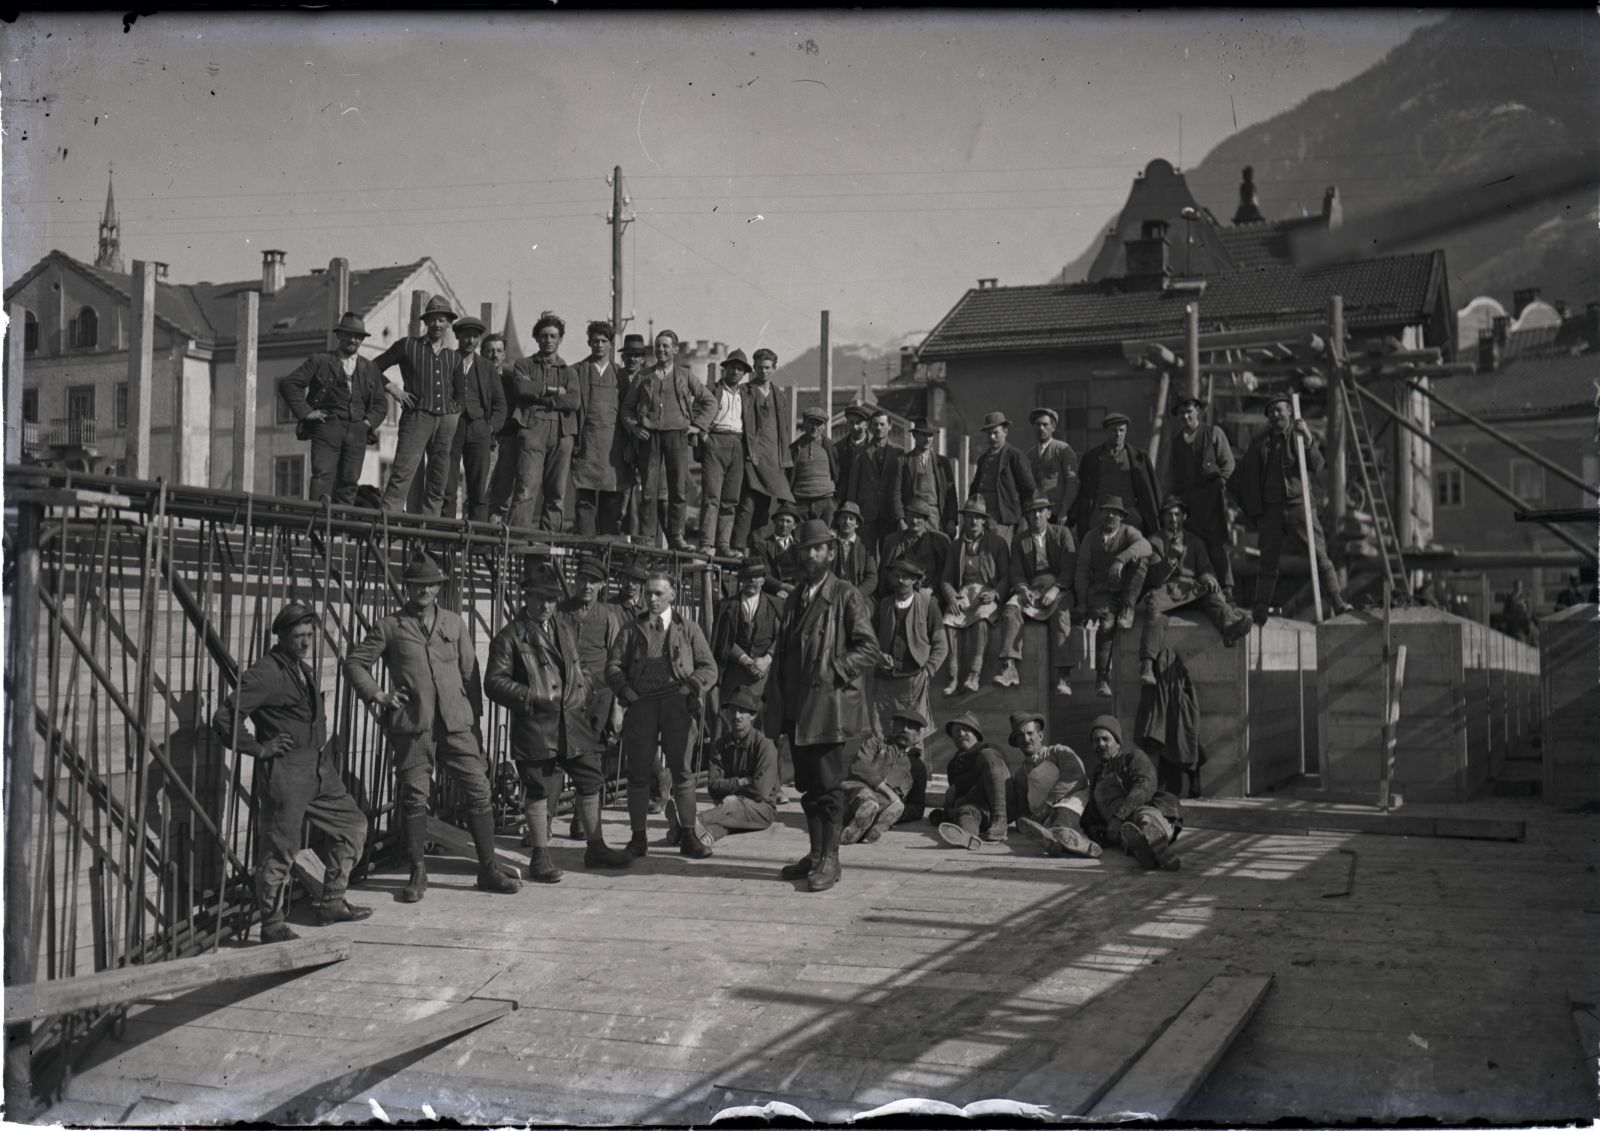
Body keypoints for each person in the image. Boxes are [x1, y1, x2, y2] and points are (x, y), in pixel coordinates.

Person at [343, 552, 521, 902]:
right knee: (414, 795)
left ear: (439, 588)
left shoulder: (454, 623)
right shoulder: (390, 626)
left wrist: (476, 726)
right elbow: (355, 663)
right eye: (417, 584)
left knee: (479, 787)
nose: (424, 590)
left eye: (430, 585)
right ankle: (417, 872)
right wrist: (379, 695)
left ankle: (487, 869)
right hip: (414, 726)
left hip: (456, 724)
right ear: (407, 587)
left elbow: (470, 675)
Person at [212, 603, 371, 942]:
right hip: (286, 773)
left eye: (310, 635)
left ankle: (331, 902)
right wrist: (259, 748)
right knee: (279, 851)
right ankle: (271, 926)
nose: (305, 642)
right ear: (282, 636)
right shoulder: (265, 674)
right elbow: (226, 718)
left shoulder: (303, 669)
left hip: (318, 767)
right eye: (298, 636)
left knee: (352, 825)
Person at [485, 568, 633, 883]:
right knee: (538, 789)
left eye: (551, 599)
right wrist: (531, 695)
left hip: (573, 723)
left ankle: (596, 847)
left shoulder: (563, 628)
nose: (546, 605)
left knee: (591, 778)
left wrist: (587, 691)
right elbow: (493, 682)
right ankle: (539, 858)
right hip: (537, 726)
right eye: (539, 598)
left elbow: (579, 668)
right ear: (526, 597)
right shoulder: (510, 636)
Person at [773, 518, 881, 893]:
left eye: (817, 548)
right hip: (799, 708)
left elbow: (869, 648)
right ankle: (816, 853)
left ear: (831, 553)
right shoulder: (795, 596)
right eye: (805, 548)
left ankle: (830, 860)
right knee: (808, 788)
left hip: (830, 709)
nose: (810, 554)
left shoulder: (847, 595)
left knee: (829, 788)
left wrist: (833, 669)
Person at [605, 570, 719, 858]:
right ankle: (638, 838)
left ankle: (689, 836)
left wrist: (689, 688)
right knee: (639, 773)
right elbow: (613, 666)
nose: (652, 599)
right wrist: (627, 692)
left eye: (658, 593)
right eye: (648, 594)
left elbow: (709, 667)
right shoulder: (631, 629)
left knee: (682, 772)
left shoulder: (688, 629)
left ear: (672, 595)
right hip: (641, 706)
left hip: (677, 706)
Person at [1231, 393, 1350, 624]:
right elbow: (1244, 475)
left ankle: (1337, 602)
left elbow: (1317, 465)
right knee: (1268, 561)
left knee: (1319, 555)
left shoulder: (1298, 436)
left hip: (1299, 505)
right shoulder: (1261, 442)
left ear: (1290, 412)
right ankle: (1261, 609)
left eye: (1280, 410)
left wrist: (1308, 438)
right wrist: (1255, 511)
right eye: (1272, 412)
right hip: (1271, 510)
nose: (1276, 415)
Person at [279, 312, 390, 507]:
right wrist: (306, 412)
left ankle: (341, 531)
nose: (352, 340)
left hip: (357, 431)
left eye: (357, 336)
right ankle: (319, 529)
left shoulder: (369, 368)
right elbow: (289, 384)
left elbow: (381, 404)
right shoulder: (320, 360)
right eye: (347, 334)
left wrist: (367, 423)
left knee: (349, 483)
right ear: (339, 336)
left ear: (362, 340)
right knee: (322, 477)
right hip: (327, 427)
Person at [1141, 495, 1253, 683]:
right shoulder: (1153, 542)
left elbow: (1205, 568)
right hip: (1164, 590)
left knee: (1214, 596)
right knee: (1154, 614)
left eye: (1177, 514)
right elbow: (1153, 578)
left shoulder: (1194, 542)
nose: (1173, 519)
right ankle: (1146, 665)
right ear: (1162, 518)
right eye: (1169, 514)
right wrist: (1170, 559)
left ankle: (1229, 628)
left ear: (1184, 517)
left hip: (1190, 590)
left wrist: (1208, 578)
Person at [621, 330, 711, 550]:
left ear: (675, 350)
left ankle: (676, 537)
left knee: (678, 491)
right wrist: (634, 428)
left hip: (677, 437)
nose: (661, 350)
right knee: (649, 491)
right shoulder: (644, 376)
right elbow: (627, 408)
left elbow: (708, 401)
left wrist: (697, 426)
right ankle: (647, 540)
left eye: (666, 346)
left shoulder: (684, 375)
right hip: (649, 438)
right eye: (658, 346)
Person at [558, 557, 628, 832]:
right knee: (558, 756)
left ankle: (584, 823)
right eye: (582, 579)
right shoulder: (560, 613)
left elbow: (617, 663)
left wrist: (617, 709)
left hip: (598, 699)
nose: (587, 586)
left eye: (594, 582)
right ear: (575, 580)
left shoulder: (608, 617)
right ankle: (545, 823)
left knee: (593, 759)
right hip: (564, 698)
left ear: (601, 586)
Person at [375, 295, 462, 516]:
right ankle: (386, 525)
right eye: (432, 319)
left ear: (449, 323)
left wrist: (453, 415)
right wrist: (394, 390)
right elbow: (373, 367)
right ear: (425, 322)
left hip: (446, 421)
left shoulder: (454, 357)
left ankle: (427, 530)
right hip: (416, 418)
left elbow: (460, 393)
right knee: (402, 473)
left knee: (437, 479)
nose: (437, 325)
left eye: (442, 320)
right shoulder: (408, 345)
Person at [494, 311, 578, 531]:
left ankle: (549, 546)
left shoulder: (569, 372)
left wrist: (540, 395)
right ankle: (514, 544)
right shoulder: (523, 365)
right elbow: (522, 388)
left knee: (556, 494)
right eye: (544, 336)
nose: (548, 340)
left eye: (553, 336)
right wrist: (553, 391)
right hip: (532, 430)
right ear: (536, 338)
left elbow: (573, 401)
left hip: (562, 433)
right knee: (525, 489)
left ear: (560, 339)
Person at [995, 492, 1078, 695]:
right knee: (1010, 609)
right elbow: (1016, 571)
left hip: (1058, 589)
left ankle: (1063, 676)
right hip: (1031, 588)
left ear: (1049, 513)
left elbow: (1069, 567)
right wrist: (1023, 589)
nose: (1037, 516)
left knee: (1062, 615)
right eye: (1032, 513)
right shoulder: (1019, 540)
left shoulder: (1062, 533)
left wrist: (1057, 588)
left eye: (1041, 511)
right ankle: (1010, 667)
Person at [1079, 714, 1183, 871]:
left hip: (1146, 810)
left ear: (1117, 742)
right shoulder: (1097, 774)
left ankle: (1156, 842)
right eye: (1096, 740)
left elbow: (1146, 784)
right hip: (1124, 830)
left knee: (1145, 819)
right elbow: (1092, 813)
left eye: (1105, 739)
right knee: (1129, 837)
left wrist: (1119, 817)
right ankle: (1145, 853)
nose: (1100, 744)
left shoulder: (1132, 758)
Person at [1074, 495, 1152, 698]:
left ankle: (1128, 609)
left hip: (1126, 591)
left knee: (1141, 561)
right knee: (1107, 624)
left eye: (1115, 512)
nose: (1111, 515)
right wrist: (1082, 602)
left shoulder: (1128, 532)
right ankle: (1102, 677)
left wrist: (1121, 559)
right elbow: (1082, 571)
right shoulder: (1091, 537)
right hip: (1101, 594)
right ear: (1101, 514)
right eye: (1107, 511)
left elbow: (1146, 547)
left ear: (1122, 517)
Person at [871, 558, 947, 754]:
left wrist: (928, 670)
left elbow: (941, 644)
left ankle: (913, 776)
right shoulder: (884, 605)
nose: (900, 581)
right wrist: (879, 656)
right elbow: (869, 642)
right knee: (882, 729)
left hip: (914, 679)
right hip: (885, 681)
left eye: (905, 577)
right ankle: (882, 776)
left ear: (915, 580)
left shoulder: (928, 604)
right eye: (896, 576)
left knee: (913, 733)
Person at [1166, 394, 1237, 598]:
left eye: (1189, 411)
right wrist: (1172, 500)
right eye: (1181, 413)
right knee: (1191, 545)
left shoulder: (1213, 433)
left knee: (1215, 544)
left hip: (1211, 500)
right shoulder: (1177, 443)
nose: (1185, 416)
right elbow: (1171, 476)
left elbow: (1229, 464)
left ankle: (1227, 589)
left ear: (1198, 411)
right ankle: (1200, 589)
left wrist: (1221, 483)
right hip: (1187, 502)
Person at [940, 496, 1010, 695]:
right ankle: (953, 676)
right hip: (964, 593)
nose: (974, 522)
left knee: (981, 620)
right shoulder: (956, 546)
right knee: (949, 620)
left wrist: (996, 593)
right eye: (970, 517)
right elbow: (945, 579)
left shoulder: (997, 543)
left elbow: (1006, 577)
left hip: (986, 593)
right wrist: (952, 597)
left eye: (978, 518)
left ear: (984, 520)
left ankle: (974, 674)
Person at [693, 687, 781, 846]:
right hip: (728, 808)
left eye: (742, 711)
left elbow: (760, 792)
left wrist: (729, 789)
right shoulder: (720, 745)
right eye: (732, 711)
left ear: (753, 715)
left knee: (731, 802)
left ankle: (695, 821)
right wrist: (740, 782)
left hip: (761, 810)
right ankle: (709, 833)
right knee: (729, 807)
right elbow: (713, 787)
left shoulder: (765, 746)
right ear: (726, 714)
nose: (736, 716)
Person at [729, 347, 796, 552]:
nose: (763, 371)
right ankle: (738, 548)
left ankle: (758, 548)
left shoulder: (779, 396)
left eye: (767, 367)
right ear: (754, 368)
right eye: (759, 367)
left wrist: (782, 459)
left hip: (772, 458)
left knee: (765, 506)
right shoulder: (743, 391)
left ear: (774, 368)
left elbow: (782, 429)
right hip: (750, 455)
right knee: (747, 504)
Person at [1007, 713, 1100, 859]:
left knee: (1062, 815)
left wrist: (1048, 804)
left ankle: (1076, 843)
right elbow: (1022, 810)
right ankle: (1060, 843)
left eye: (1030, 733)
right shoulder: (1020, 775)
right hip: (1046, 820)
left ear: (1041, 736)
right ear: (1017, 742)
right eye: (1020, 736)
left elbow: (1075, 776)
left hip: (1076, 807)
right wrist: (1027, 823)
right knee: (1052, 827)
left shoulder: (1058, 752)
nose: (1026, 739)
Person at [443, 317, 507, 522]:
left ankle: (477, 542)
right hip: (452, 428)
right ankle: (445, 538)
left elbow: (500, 405)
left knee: (478, 490)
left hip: (479, 430)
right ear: (457, 337)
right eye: (466, 336)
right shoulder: (447, 360)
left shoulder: (487, 368)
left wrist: (489, 429)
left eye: (475, 337)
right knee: (448, 487)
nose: (470, 341)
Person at [571, 320, 630, 537]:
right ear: (588, 342)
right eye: (595, 341)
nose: (599, 345)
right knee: (585, 499)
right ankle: (585, 550)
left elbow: (628, 409)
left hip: (612, 446)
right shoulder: (577, 371)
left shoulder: (620, 375)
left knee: (611, 500)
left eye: (604, 341)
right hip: (586, 443)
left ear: (611, 344)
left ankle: (608, 553)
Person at [709, 559, 781, 733]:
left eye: (757, 577)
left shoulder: (776, 605)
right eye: (748, 577)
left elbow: (782, 637)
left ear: (763, 580)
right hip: (735, 676)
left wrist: (767, 658)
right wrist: (747, 661)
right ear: (741, 580)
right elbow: (722, 640)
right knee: (729, 726)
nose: (752, 581)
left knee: (762, 730)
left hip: (765, 678)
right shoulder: (726, 606)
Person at [1067, 411, 1160, 541]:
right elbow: (1082, 490)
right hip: (1100, 512)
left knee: (1135, 544)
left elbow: (1150, 491)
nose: (1118, 434)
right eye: (1113, 430)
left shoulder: (1139, 457)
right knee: (1096, 546)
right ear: (1106, 431)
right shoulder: (1091, 458)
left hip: (1129, 511)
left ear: (1126, 431)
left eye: (1122, 430)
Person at [839, 710, 926, 845]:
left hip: (883, 803)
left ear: (918, 735)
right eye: (900, 724)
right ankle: (862, 823)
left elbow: (917, 806)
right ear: (892, 726)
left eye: (910, 727)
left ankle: (869, 827)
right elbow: (858, 766)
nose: (904, 729)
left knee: (883, 804)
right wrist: (886, 789)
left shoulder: (918, 767)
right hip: (855, 793)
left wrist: (898, 812)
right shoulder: (874, 744)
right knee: (865, 796)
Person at [928, 713, 1010, 849]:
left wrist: (958, 787)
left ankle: (1000, 821)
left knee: (987, 755)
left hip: (1003, 806)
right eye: (956, 731)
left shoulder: (991, 750)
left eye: (966, 729)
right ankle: (967, 836)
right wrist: (951, 803)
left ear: (976, 733)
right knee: (965, 812)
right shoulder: (953, 765)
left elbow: (996, 774)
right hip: (978, 810)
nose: (961, 734)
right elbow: (958, 796)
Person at [695, 349, 750, 554]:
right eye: (733, 367)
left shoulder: (745, 394)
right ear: (724, 368)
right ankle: (707, 544)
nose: (736, 371)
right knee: (711, 496)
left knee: (731, 499)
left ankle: (723, 545)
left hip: (737, 443)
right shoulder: (712, 389)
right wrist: (704, 437)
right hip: (715, 439)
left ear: (744, 373)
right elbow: (696, 411)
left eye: (740, 369)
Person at [967, 411, 1037, 543]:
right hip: (981, 519)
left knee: (999, 554)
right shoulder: (983, 459)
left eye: (996, 433)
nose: (992, 437)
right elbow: (975, 488)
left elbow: (1029, 488)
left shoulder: (1014, 455)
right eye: (989, 434)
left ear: (1005, 432)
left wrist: (1016, 512)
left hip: (1003, 520)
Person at [843, 407, 903, 551]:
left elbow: (901, 486)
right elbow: (853, 486)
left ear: (890, 426)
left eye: (882, 424)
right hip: (866, 514)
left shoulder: (899, 454)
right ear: (870, 427)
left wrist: (900, 515)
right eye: (875, 424)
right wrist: (852, 514)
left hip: (889, 513)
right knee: (864, 552)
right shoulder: (860, 453)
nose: (878, 428)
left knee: (889, 555)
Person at [897, 419, 958, 535]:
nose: (927, 439)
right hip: (913, 517)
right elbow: (895, 493)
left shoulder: (943, 463)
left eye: (930, 435)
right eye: (923, 434)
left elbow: (951, 495)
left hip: (935, 517)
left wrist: (951, 520)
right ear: (914, 435)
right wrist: (900, 520)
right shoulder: (903, 462)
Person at [879, 500, 951, 598]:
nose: (914, 521)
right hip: (901, 590)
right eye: (911, 516)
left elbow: (942, 573)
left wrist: (930, 589)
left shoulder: (936, 541)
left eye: (918, 517)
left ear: (925, 520)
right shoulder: (895, 541)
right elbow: (887, 573)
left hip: (928, 592)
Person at [616, 334, 650, 535]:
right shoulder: (617, 378)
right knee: (622, 497)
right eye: (628, 355)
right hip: (620, 443)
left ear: (643, 357)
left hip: (645, 443)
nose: (632, 359)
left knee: (648, 496)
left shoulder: (650, 378)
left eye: (637, 355)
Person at [1025, 408, 1079, 524]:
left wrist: (1064, 510)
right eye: (1037, 424)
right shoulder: (1030, 454)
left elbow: (1072, 482)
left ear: (1053, 427)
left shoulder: (1063, 450)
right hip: (1037, 514)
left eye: (1045, 425)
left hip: (1057, 513)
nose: (1041, 428)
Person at [789, 406, 838, 526]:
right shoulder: (794, 448)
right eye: (811, 422)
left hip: (826, 501)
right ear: (804, 423)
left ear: (824, 426)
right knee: (800, 539)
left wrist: (835, 501)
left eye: (819, 423)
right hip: (800, 502)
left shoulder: (832, 447)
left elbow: (839, 473)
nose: (814, 427)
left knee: (826, 538)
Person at [754, 503, 805, 600]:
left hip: (797, 592)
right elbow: (764, 575)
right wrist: (782, 587)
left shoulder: (800, 546)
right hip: (771, 593)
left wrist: (795, 589)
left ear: (794, 525)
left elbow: (803, 572)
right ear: (774, 521)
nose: (784, 524)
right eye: (781, 520)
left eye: (788, 521)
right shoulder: (762, 545)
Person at [831, 502, 880, 603]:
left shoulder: (865, 546)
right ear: (838, 521)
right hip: (833, 593)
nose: (847, 522)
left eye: (851, 519)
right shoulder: (830, 544)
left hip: (857, 594)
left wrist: (857, 593)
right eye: (844, 518)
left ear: (857, 524)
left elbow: (872, 578)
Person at [834, 405, 872, 511]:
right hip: (844, 504)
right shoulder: (837, 448)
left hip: (869, 502)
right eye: (851, 422)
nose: (854, 427)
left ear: (867, 425)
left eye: (859, 423)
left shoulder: (876, 448)